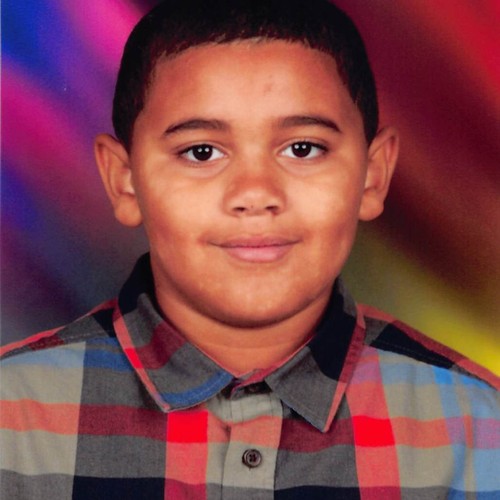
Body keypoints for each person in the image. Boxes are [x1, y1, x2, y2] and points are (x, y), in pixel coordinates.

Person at [1, 0, 498, 498]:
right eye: (201, 152)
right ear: (124, 180)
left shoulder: (474, 428)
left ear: (374, 175)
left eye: (303, 148)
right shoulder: (14, 416)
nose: (255, 194)